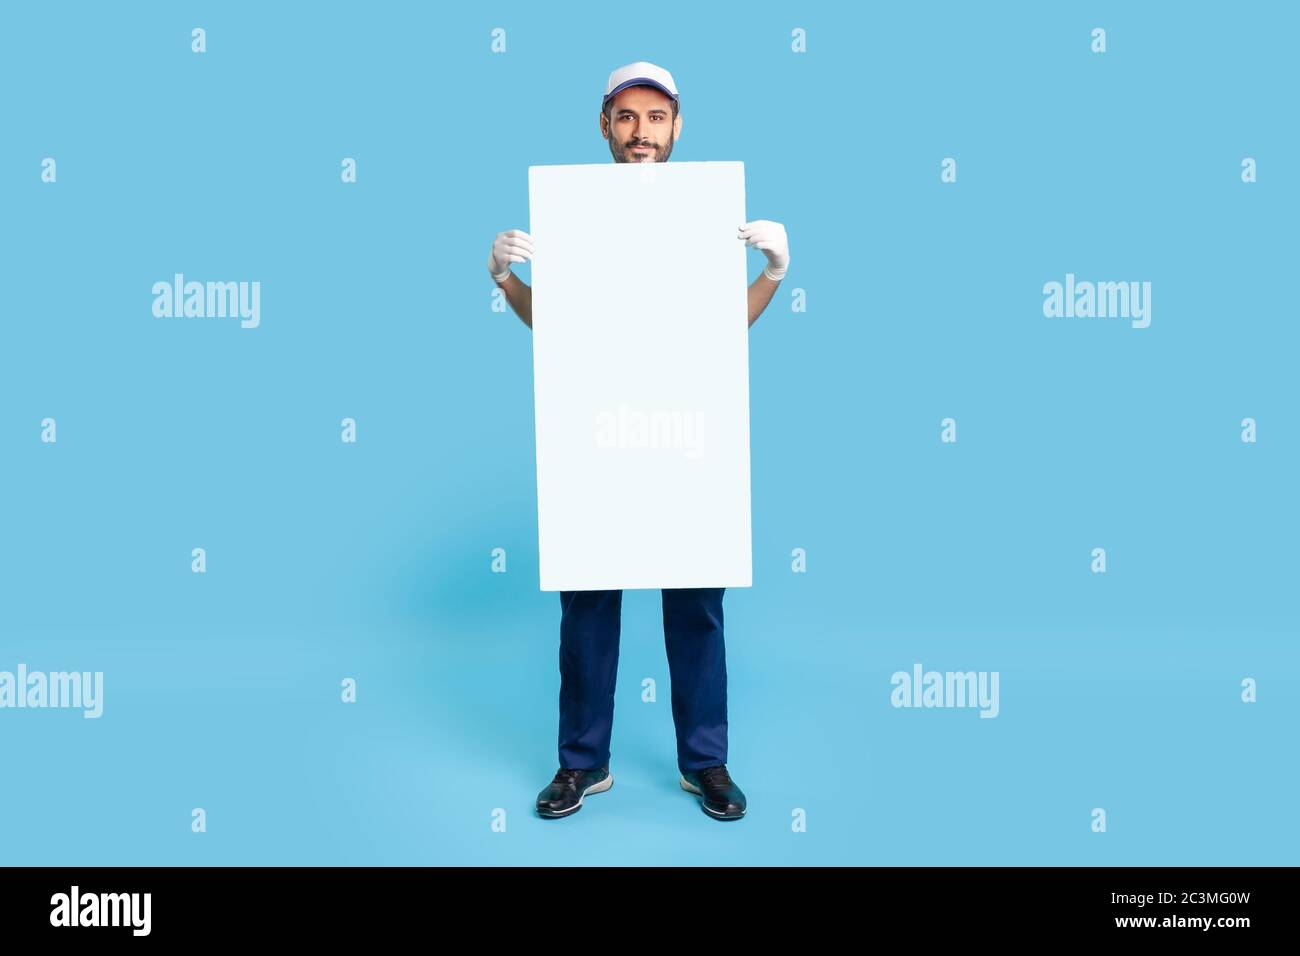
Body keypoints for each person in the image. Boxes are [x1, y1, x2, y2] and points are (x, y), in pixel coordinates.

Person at [486, 61, 789, 821]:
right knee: (587, 600)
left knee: (697, 602)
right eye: (626, 117)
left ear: (677, 126)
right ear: (604, 126)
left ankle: (706, 764)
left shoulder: (704, 218)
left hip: (687, 428)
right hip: (597, 430)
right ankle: (581, 765)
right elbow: (558, 332)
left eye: (656, 118)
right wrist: (505, 280)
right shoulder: (578, 217)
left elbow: (720, 334)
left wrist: (773, 273)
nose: (641, 132)